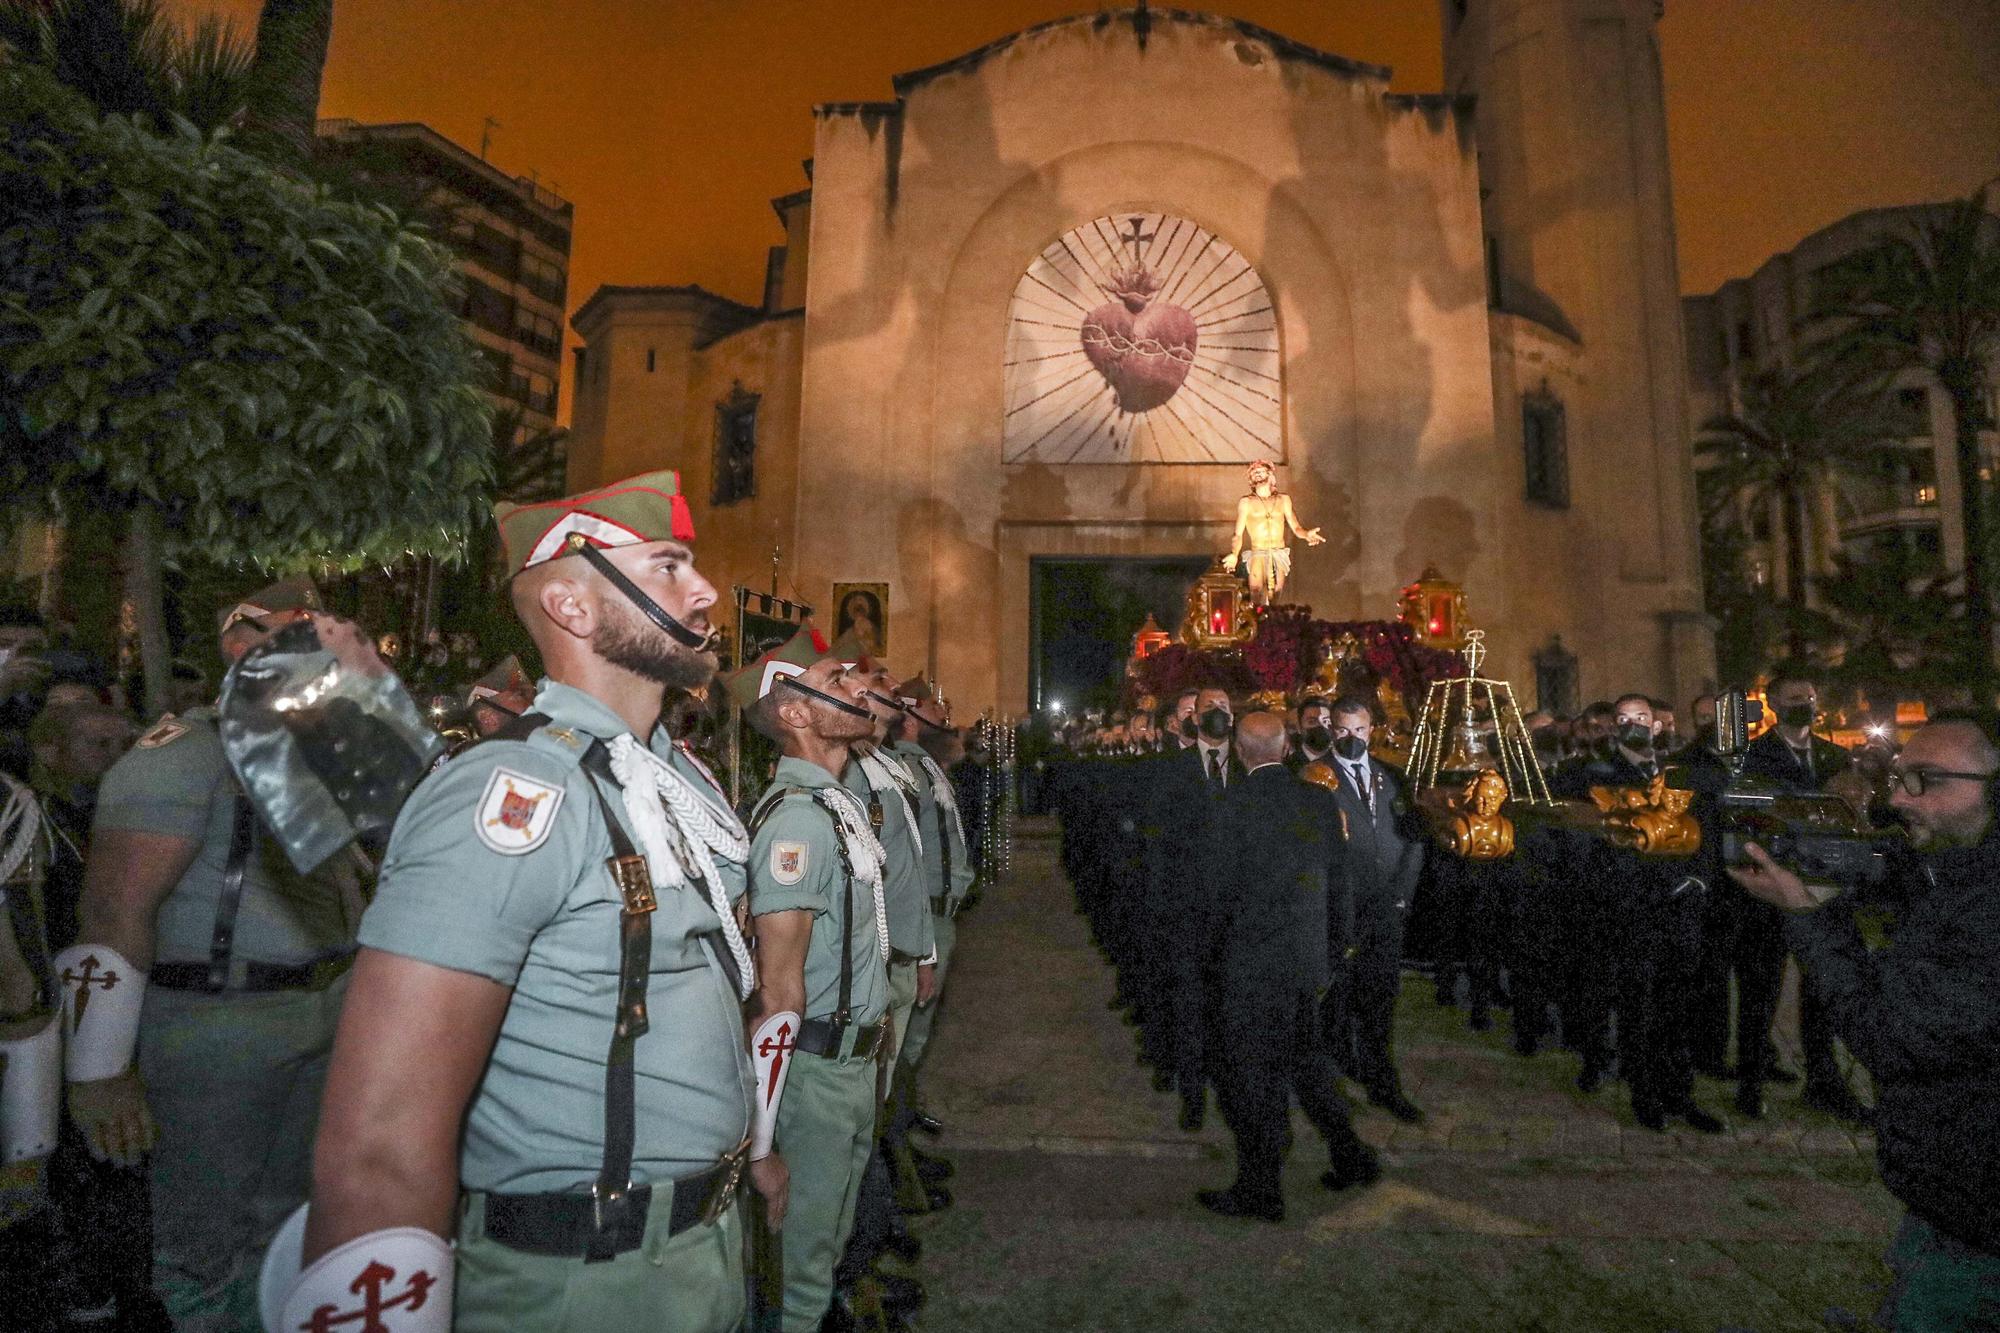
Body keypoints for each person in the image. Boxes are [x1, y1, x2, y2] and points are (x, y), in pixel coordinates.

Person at [292, 471, 765, 1333]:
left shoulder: (653, 778)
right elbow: (381, 1144)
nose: (704, 592)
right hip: (582, 1284)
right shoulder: (516, 791)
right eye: (667, 566)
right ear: (573, 606)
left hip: (694, 1254)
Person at [55, 579, 368, 1332]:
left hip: (316, 1015)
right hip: (215, 1025)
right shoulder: (180, 756)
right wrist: (97, 1071)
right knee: (198, 1244)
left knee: (284, 1228)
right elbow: (111, 910)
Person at [1731, 712, 2000, 1330]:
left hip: (1978, 1212)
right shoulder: (1966, 862)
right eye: (1898, 777)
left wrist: (1810, 915)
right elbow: (1919, 878)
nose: (1900, 798)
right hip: (1951, 1187)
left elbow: (1889, 1036)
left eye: (1925, 781)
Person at [729, 631, 893, 1332]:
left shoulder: (835, 803)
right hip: (815, 1075)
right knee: (798, 1282)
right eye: (837, 678)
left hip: (850, 1064)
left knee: (825, 1256)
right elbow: (777, 990)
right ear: (795, 712)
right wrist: (761, 1145)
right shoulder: (799, 820)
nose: (861, 689)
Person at [1196, 712, 1381, 1222]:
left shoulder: (1230, 805)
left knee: (1253, 1075)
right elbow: (1340, 883)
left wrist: (1206, 956)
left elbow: (1215, 895)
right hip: (1303, 959)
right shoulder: (1318, 802)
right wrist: (1335, 951)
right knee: (1306, 1060)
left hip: (1249, 962)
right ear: (1286, 747)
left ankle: (1261, 1187)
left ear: (1239, 749)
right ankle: (1351, 1155)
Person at [1740, 672, 1868, 1124]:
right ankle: (1750, 1082)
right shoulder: (1752, 756)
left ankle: (1824, 1080)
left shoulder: (1835, 756)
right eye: (1795, 698)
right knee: (1762, 986)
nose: (1806, 705)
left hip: (1826, 882)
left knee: (1821, 987)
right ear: (1774, 705)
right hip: (1773, 882)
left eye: (1810, 698)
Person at [1320, 693, 1426, 1123]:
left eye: (1360, 731)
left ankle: (1384, 1084)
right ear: (1331, 731)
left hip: (1386, 907)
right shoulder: (1316, 778)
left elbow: (1412, 838)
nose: (1352, 739)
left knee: (1381, 1001)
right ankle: (1332, 1084)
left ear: (1371, 731)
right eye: (1343, 731)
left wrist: (1403, 893)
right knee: (1335, 1003)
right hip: (1340, 908)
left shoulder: (1391, 777)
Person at [1142, 686, 1238, 1131]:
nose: (1217, 714)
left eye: (1224, 707)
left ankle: (1229, 1079)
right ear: (1193, 719)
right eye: (1208, 709)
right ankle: (1192, 1090)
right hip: (1185, 910)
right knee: (1189, 1002)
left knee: (1232, 1004)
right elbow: (1156, 844)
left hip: (1238, 914)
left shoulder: (1248, 769)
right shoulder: (1168, 771)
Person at [1225, 460, 1324, 607]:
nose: (1257, 472)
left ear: (1270, 474)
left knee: (1276, 594)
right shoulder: (1246, 502)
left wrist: (1306, 534)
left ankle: (1272, 624)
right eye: (1253, 471)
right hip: (1258, 552)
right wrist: (1234, 554)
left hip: (1278, 552)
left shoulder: (1283, 500)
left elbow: (1296, 527)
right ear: (1251, 479)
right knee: (1256, 592)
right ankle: (1258, 623)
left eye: (1260, 470)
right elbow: (1238, 534)